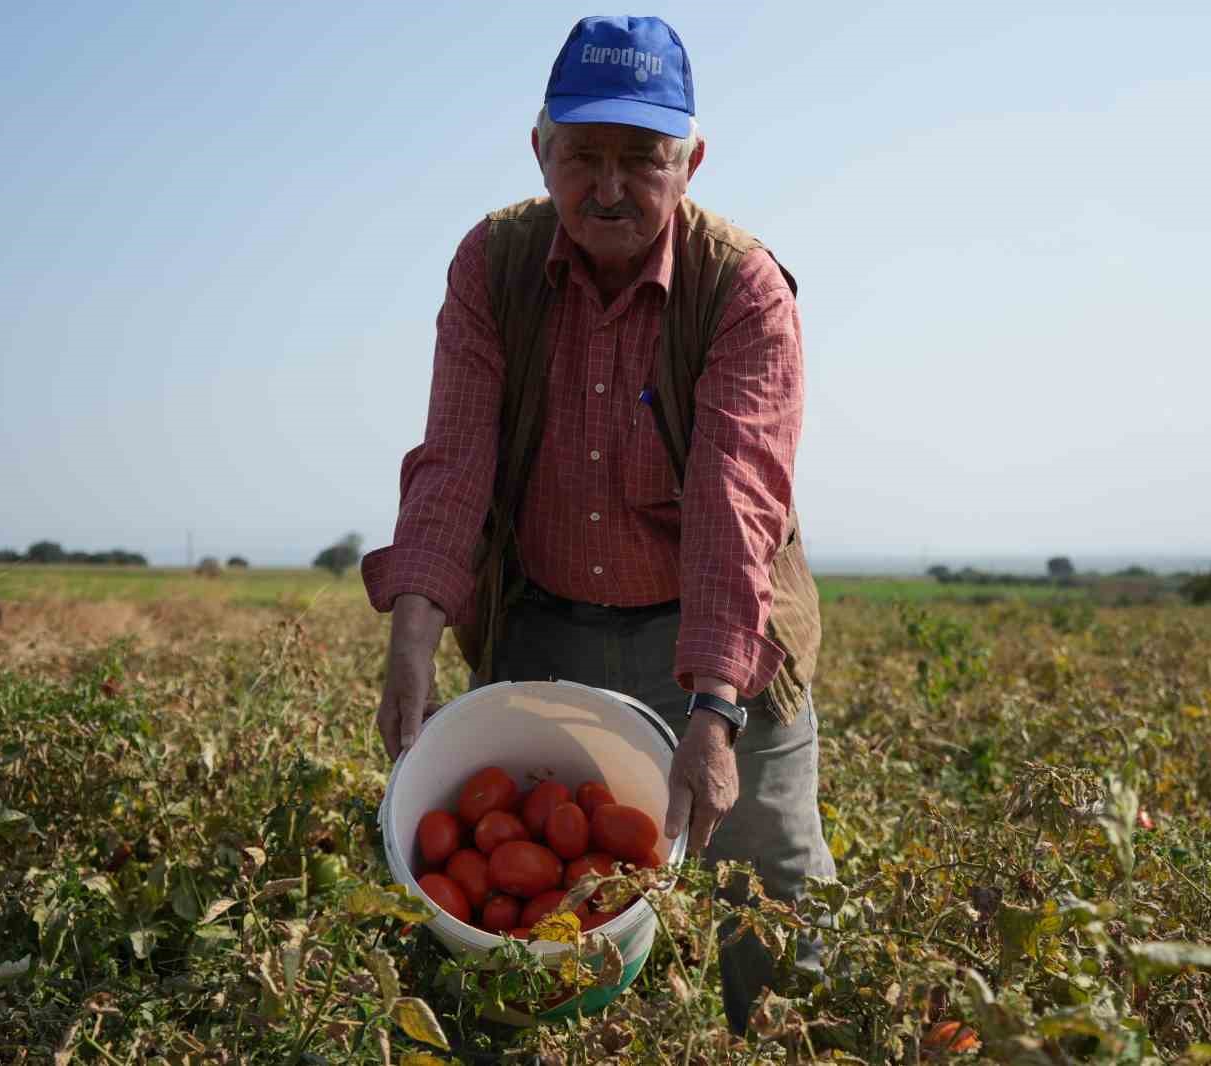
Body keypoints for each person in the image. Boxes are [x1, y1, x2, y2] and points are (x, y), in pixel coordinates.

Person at [361, 14, 833, 1031]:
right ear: (542, 151)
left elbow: (734, 504)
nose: (608, 186)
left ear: (690, 161)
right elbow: (453, 462)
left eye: (641, 159)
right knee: (515, 909)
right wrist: (412, 640)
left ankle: (786, 1045)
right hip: (547, 620)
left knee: (774, 881)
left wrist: (714, 712)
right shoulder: (491, 266)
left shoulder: (741, 289)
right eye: (583, 155)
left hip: (718, 627)